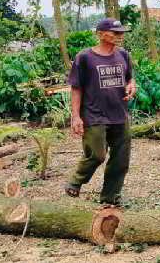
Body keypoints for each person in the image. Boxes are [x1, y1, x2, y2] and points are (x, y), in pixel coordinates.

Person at [64, 18, 137, 205]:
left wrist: (131, 86)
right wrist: (76, 116)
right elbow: (76, 88)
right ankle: (76, 181)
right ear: (100, 34)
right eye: (115, 33)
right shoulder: (85, 58)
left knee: (121, 159)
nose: (119, 36)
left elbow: (130, 78)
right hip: (94, 114)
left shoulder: (123, 55)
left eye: (121, 33)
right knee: (97, 154)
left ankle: (110, 197)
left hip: (119, 113)